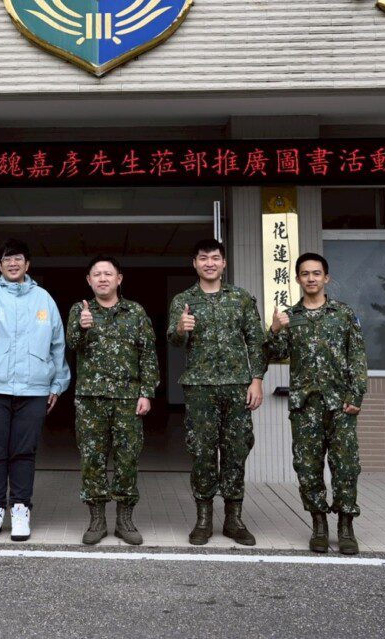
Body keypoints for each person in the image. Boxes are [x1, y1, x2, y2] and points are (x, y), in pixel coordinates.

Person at [0, 238, 69, 542]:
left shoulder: (44, 299)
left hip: (33, 389)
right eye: (7, 259)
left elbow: (57, 343)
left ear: (27, 264)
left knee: (24, 452)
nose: (12, 263)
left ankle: (20, 509)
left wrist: (57, 384)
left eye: (18, 258)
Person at [265, 252, 367, 555]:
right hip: (305, 407)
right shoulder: (289, 316)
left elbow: (357, 358)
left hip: (340, 405)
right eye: (305, 273)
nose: (311, 278)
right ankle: (319, 525)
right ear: (297, 279)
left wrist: (356, 395)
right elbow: (274, 354)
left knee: (346, 467)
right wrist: (274, 330)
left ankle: (346, 526)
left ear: (326, 278)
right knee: (308, 468)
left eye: (316, 273)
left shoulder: (343, 314)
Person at [167, 238, 266, 546]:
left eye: (214, 258)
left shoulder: (241, 298)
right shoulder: (183, 300)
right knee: (202, 453)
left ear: (224, 263)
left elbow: (256, 341)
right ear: (194, 264)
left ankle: (234, 519)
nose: (209, 263)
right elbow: (173, 340)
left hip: (237, 388)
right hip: (200, 389)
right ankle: (204, 518)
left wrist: (257, 380)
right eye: (202, 258)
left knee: (236, 452)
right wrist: (182, 328)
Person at [65, 254, 158, 546]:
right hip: (91, 398)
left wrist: (147, 392)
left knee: (127, 459)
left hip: (128, 399)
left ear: (119, 278)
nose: (102, 278)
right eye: (96, 274)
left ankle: (125, 519)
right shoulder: (80, 310)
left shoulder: (136, 312)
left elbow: (148, 354)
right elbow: (72, 345)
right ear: (89, 281)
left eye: (108, 273)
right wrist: (82, 327)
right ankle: (96, 519)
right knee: (92, 459)